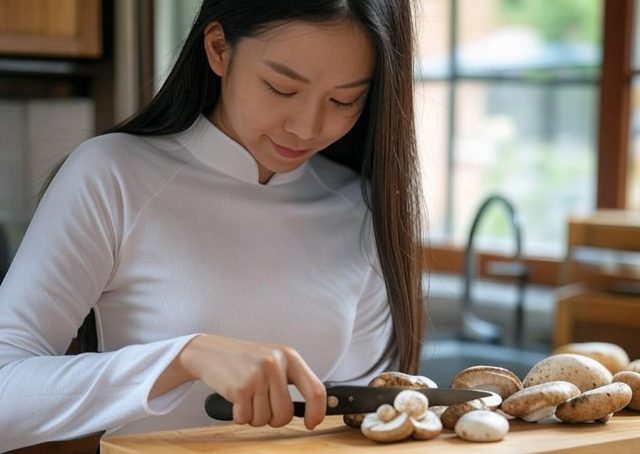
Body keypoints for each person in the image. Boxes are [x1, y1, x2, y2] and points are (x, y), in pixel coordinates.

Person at [0, 0, 425, 450]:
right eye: (281, 88)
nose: (306, 127)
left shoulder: (358, 208)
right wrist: (185, 357)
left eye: (344, 100)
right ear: (219, 48)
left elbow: (361, 421)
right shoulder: (113, 176)